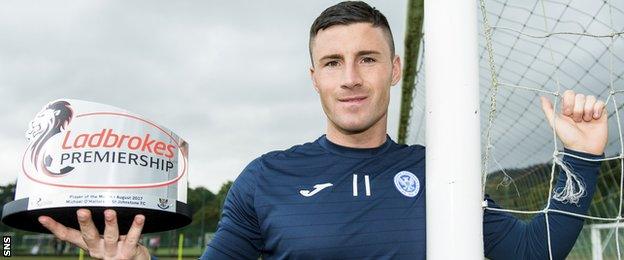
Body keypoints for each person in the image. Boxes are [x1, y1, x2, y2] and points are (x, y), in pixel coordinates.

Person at [38, 1, 608, 259]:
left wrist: (579, 159)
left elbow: (535, 250)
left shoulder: (443, 171)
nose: (351, 79)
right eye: (333, 63)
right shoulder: (265, 178)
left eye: (367, 58)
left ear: (396, 70)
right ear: (314, 78)